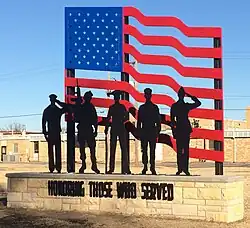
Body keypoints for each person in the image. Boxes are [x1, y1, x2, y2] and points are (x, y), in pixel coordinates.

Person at [170, 87, 201, 176]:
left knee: (183, 150)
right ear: (183, 95)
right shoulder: (178, 106)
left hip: (183, 129)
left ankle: (183, 169)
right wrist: (191, 96)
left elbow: (198, 103)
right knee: (182, 150)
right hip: (180, 128)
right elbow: (172, 121)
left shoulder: (179, 106)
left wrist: (174, 131)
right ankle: (181, 169)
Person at [105, 90, 131, 174]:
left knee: (122, 149)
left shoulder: (118, 107)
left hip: (119, 128)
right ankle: (113, 168)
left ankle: (125, 169)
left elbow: (126, 117)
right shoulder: (115, 107)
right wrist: (106, 128)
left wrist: (107, 127)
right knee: (115, 149)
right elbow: (108, 118)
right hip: (117, 128)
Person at [137, 88, 161, 175]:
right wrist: (139, 132)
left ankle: (152, 167)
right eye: (146, 94)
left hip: (151, 130)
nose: (147, 96)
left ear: (150, 96)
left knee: (152, 151)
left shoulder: (155, 107)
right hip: (145, 130)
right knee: (144, 150)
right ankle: (145, 167)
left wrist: (157, 132)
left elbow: (158, 121)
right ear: (145, 95)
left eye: (148, 94)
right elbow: (139, 121)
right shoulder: (142, 108)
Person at [75, 91, 100, 174]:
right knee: (83, 149)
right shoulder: (82, 107)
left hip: (88, 129)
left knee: (92, 149)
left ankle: (93, 165)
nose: (90, 99)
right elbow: (76, 118)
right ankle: (83, 164)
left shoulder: (90, 107)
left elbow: (95, 119)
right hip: (83, 128)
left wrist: (96, 130)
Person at [42, 94, 67, 173]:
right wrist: (45, 133)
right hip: (50, 132)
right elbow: (43, 122)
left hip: (57, 132)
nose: (52, 100)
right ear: (50, 100)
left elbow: (66, 108)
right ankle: (51, 167)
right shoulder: (47, 110)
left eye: (54, 99)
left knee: (58, 150)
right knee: (50, 151)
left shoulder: (57, 110)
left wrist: (58, 102)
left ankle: (58, 167)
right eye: (52, 99)